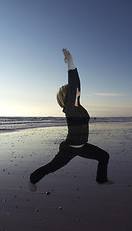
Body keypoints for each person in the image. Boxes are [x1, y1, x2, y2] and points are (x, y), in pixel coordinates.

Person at [29, 48, 114, 192]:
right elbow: (74, 82)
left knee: (104, 156)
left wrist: (71, 64)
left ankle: (101, 180)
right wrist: (70, 62)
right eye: (74, 91)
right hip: (69, 149)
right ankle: (32, 179)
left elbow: (77, 85)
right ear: (69, 95)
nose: (79, 91)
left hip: (82, 147)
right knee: (52, 167)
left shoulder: (78, 106)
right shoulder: (70, 109)